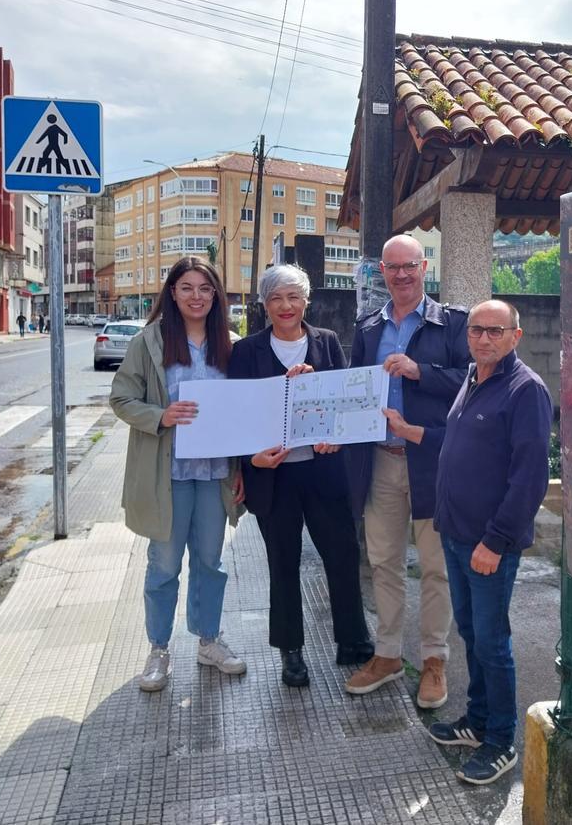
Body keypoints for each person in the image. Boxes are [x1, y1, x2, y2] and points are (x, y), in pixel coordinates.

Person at [386, 300, 552, 785]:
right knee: (473, 635)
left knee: (493, 643)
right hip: (456, 536)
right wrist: (406, 431)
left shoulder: (525, 391)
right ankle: (477, 722)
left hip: (487, 545)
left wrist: (496, 542)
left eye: (495, 331)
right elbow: (453, 443)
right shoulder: (473, 380)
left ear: (515, 337)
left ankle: (500, 741)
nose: (483, 338)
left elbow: (529, 479)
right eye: (476, 330)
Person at [228, 264, 373, 688]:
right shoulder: (246, 352)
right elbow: (238, 414)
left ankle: (353, 641)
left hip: (324, 472)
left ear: (306, 301)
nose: (286, 306)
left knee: (343, 556)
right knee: (283, 565)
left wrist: (336, 437)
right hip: (274, 479)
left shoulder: (326, 342)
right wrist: (248, 460)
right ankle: (291, 652)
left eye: (294, 297)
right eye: (276, 298)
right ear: (264, 304)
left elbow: (343, 402)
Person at [109, 256, 247, 693]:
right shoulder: (149, 341)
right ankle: (159, 649)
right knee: (164, 564)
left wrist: (241, 469)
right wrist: (162, 415)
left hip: (214, 474)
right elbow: (121, 398)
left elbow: (241, 414)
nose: (196, 297)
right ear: (172, 292)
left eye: (205, 289)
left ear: (216, 296)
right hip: (166, 472)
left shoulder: (231, 343)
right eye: (187, 288)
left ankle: (209, 640)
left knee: (211, 561)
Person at [343, 235, 470, 708]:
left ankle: (434, 659)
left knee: (436, 566)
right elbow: (355, 388)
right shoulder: (369, 326)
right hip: (380, 459)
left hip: (432, 462)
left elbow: (473, 380)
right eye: (392, 267)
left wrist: (421, 372)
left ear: (423, 268)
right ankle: (389, 653)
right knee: (383, 562)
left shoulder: (453, 323)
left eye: (409, 266)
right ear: (381, 270)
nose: (401, 275)